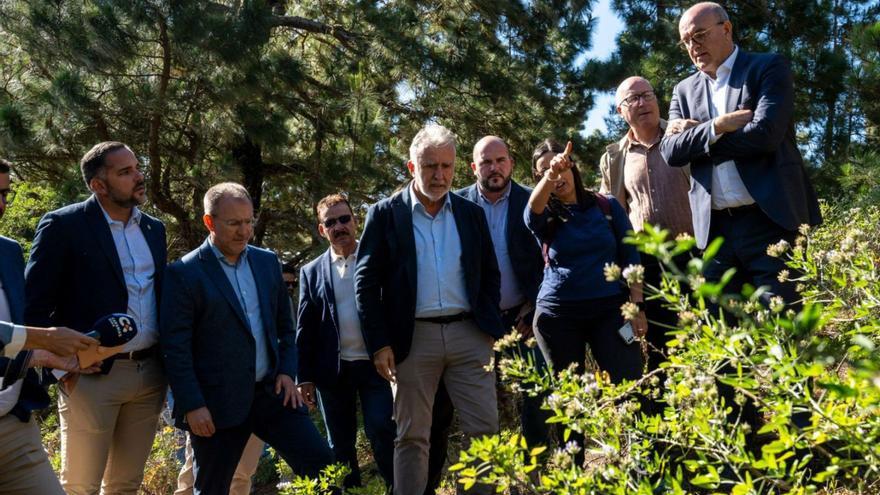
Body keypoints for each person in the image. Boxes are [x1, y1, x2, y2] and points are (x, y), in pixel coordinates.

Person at [355, 124, 503, 495]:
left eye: (447, 166)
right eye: (430, 166)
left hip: (470, 334)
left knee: (484, 432)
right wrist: (379, 343)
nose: (439, 175)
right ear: (411, 167)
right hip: (411, 339)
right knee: (411, 437)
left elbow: (489, 273)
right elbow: (366, 284)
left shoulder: (470, 213)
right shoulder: (385, 214)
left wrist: (488, 328)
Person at [160, 182, 333, 494]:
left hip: (272, 393)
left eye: (249, 221)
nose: (244, 231)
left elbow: (284, 325)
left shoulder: (266, 262)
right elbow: (175, 348)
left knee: (323, 467)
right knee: (212, 488)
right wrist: (192, 404)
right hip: (216, 406)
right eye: (234, 223)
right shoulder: (184, 274)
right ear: (209, 222)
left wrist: (285, 371)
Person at [25, 142, 168, 495]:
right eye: (125, 172)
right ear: (98, 185)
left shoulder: (154, 229)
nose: (139, 176)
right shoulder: (63, 225)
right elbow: (34, 307)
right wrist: (60, 367)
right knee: (79, 487)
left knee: (125, 486)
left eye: (137, 167)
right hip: (89, 378)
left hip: (149, 375)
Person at [661, 2, 821, 306]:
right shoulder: (683, 90)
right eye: (686, 42)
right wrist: (717, 126)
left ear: (726, 29)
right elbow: (670, 151)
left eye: (699, 35)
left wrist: (699, 141)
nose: (693, 47)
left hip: (770, 222)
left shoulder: (767, 67)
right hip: (716, 232)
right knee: (730, 340)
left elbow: (765, 136)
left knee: (784, 326)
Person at [527, 140, 645, 460]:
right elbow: (530, 213)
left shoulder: (606, 206)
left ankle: (640, 468)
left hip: (611, 310)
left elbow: (630, 253)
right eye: (547, 170)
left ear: (574, 165)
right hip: (558, 317)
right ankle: (574, 474)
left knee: (631, 387)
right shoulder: (544, 214)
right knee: (570, 399)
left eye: (562, 165)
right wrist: (549, 176)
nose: (558, 173)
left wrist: (636, 305)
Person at [0, 158, 100, 494]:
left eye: (4, 194)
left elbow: (17, 328)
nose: (0, 204)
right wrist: (46, 340)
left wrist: (49, 358)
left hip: (13, 426)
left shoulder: (9, 251)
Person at [454, 135, 550, 447]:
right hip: (475, 323)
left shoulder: (533, 200)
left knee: (539, 391)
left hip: (523, 319)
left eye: (500, 160)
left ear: (510, 163)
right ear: (473, 167)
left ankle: (536, 465)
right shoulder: (456, 207)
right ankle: (490, 474)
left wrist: (534, 307)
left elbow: (550, 259)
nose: (494, 167)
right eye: (486, 162)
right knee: (479, 405)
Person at [297, 193, 395, 489]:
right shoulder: (311, 271)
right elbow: (305, 327)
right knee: (340, 443)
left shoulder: (378, 258)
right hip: (333, 371)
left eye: (344, 219)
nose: (339, 226)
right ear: (321, 229)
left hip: (376, 365)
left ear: (355, 220)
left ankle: (397, 487)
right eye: (331, 222)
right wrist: (304, 377)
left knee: (382, 429)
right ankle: (349, 490)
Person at [599, 76, 693, 374]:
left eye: (647, 95)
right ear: (620, 111)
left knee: (711, 337)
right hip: (649, 265)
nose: (642, 103)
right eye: (633, 99)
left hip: (697, 255)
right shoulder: (614, 157)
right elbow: (610, 212)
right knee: (661, 348)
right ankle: (670, 417)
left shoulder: (682, 134)